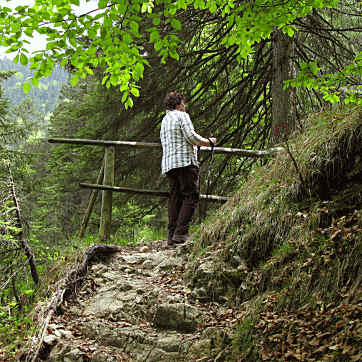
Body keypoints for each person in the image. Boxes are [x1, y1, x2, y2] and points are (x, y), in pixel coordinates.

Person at [160, 91, 217, 249]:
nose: (185, 107)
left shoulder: (165, 120)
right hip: (185, 162)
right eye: (183, 103)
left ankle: (171, 236)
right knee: (191, 195)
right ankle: (181, 233)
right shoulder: (181, 116)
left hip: (169, 164)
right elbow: (191, 137)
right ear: (178, 104)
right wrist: (208, 142)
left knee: (175, 198)